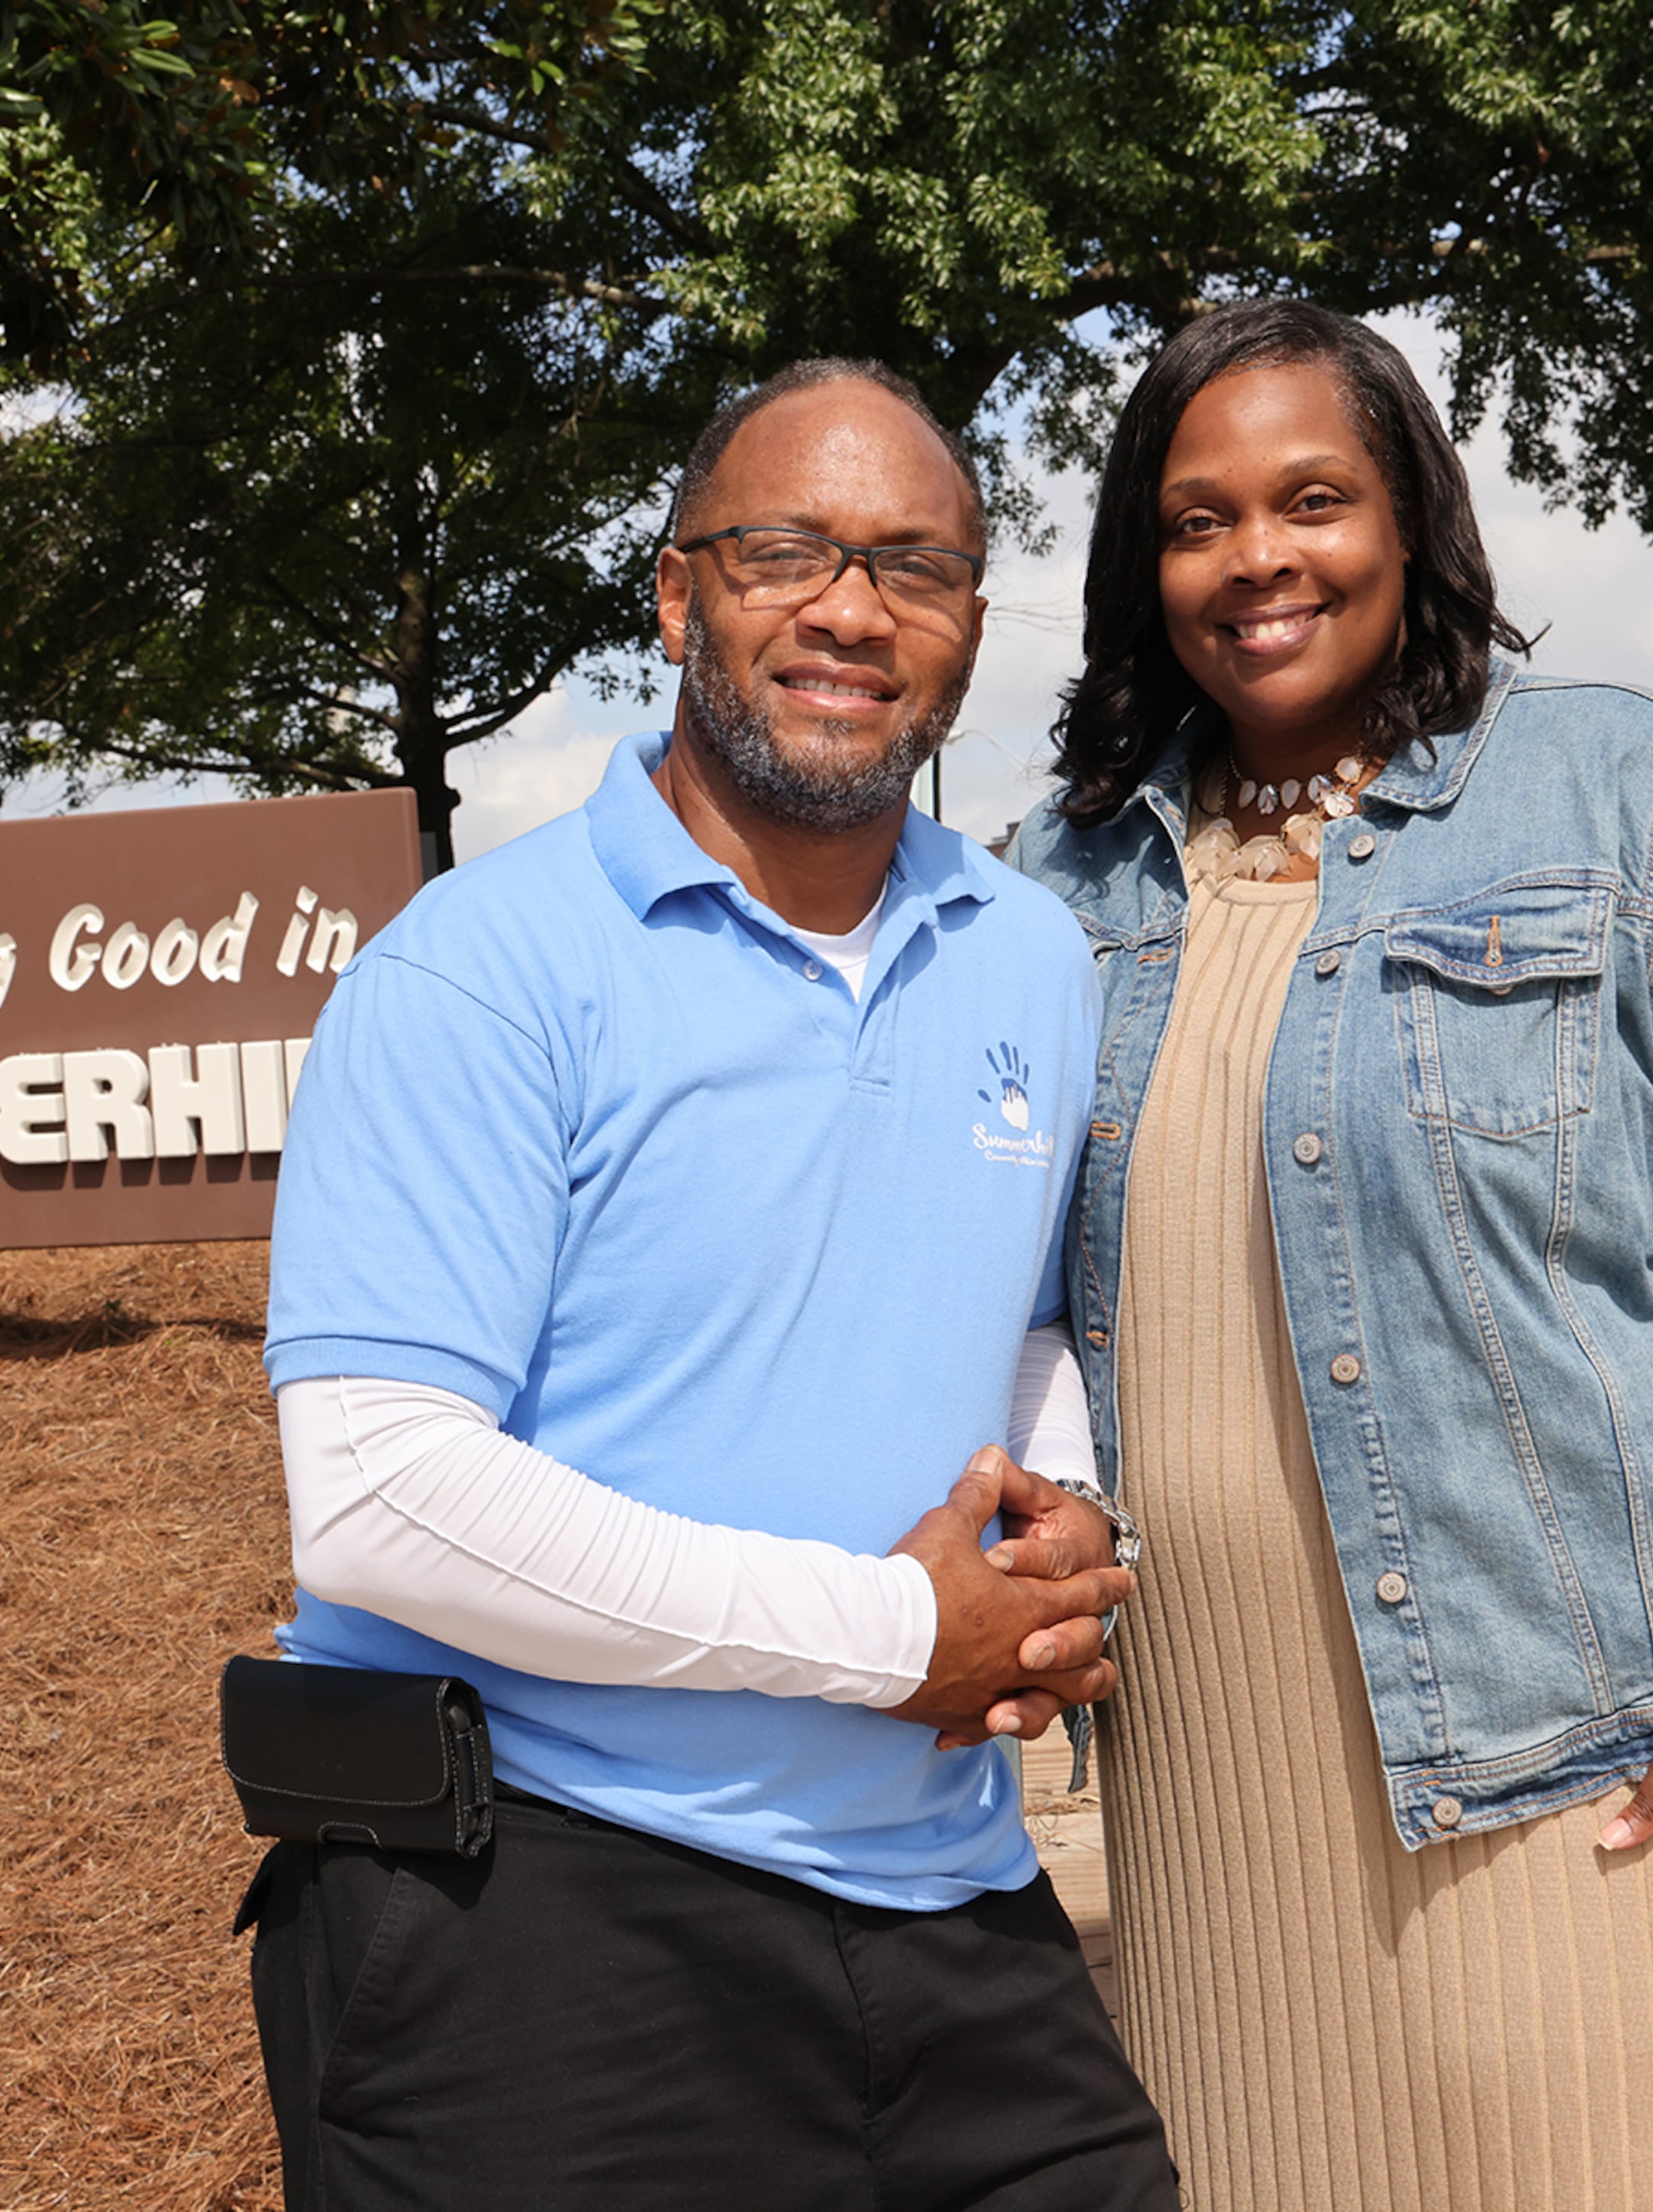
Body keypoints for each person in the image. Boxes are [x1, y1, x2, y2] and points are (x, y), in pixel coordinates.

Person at [1009, 301, 1653, 2212]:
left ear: (1413, 519)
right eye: (1198, 520)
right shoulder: (1068, 874)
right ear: (1141, 565)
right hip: (1214, 1794)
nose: (1259, 557)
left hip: (1595, 1768)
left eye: (1314, 499)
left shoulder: (1629, 793)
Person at [246, 358, 1178, 2211]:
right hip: (541, 1910)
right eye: (787, 553)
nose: (850, 606)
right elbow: (379, 1497)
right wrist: (891, 1634)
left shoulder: (1030, 957)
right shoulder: (480, 975)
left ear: (970, 633)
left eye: (913, 566)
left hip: (949, 1897)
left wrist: (1056, 1512)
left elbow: (1002, 1328)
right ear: (677, 596)